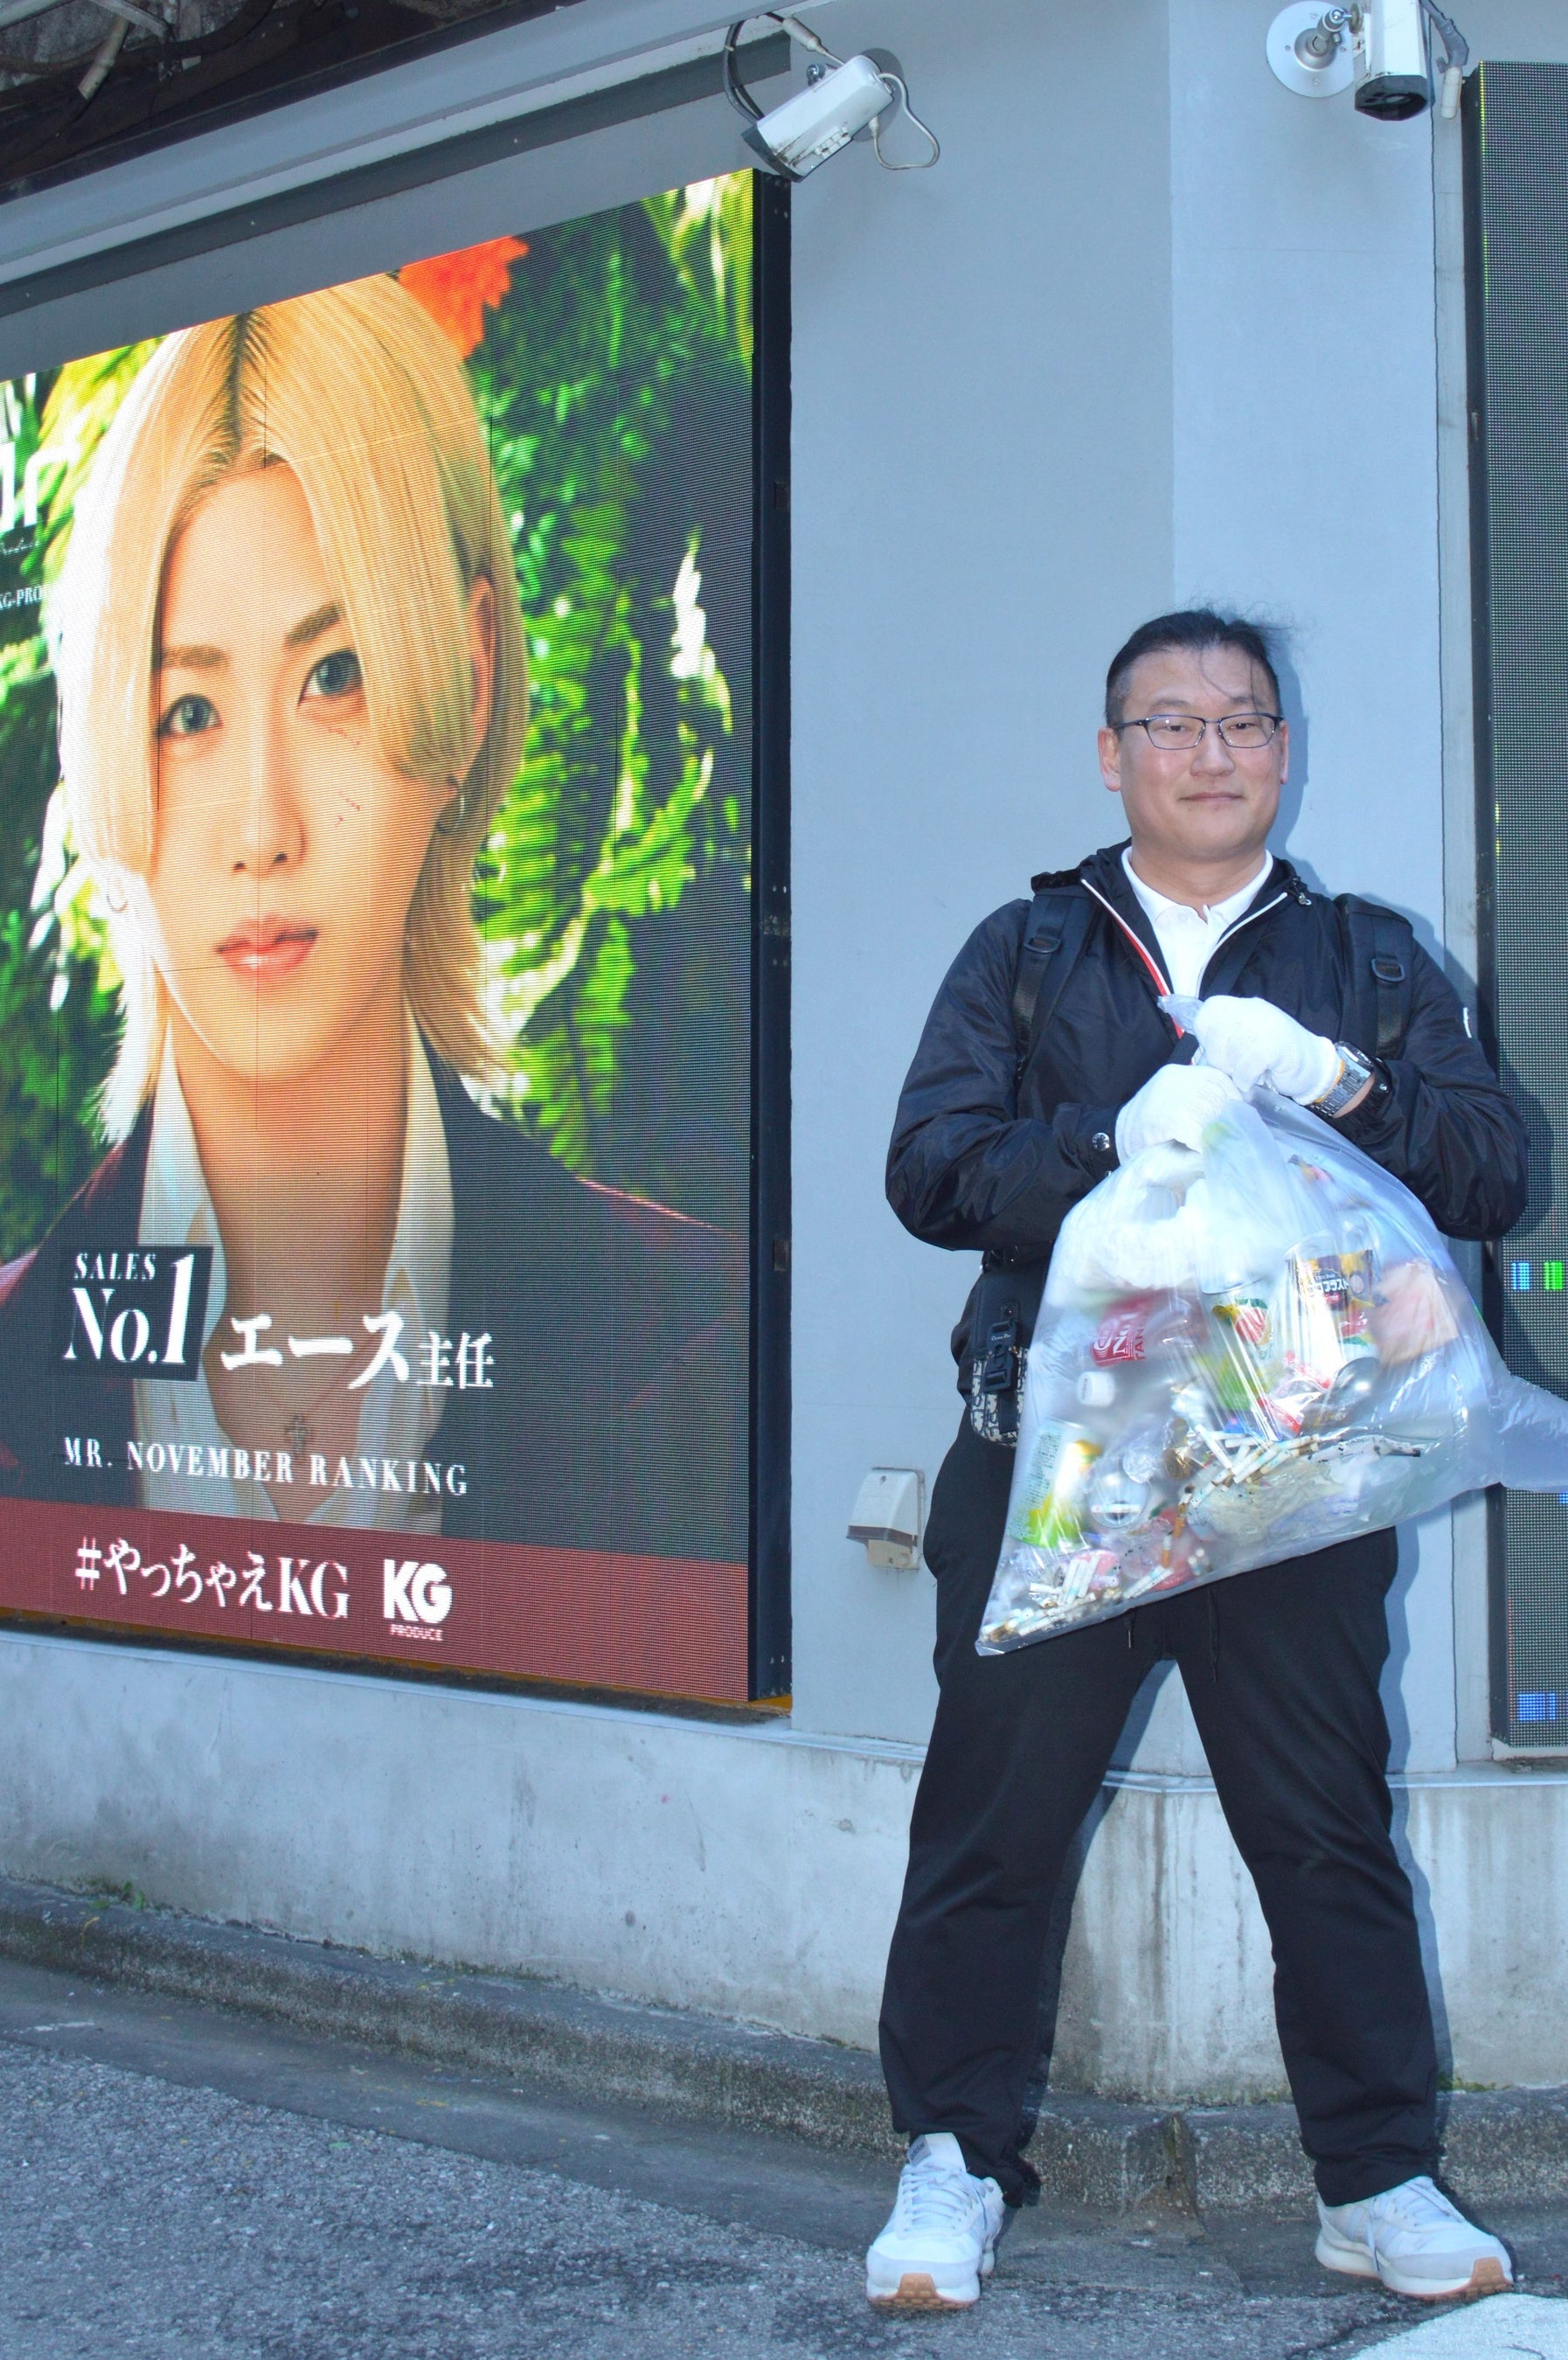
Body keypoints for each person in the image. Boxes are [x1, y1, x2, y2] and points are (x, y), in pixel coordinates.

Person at [865, 610, 1527, 2312]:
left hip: (1288, 1478)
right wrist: (1101, 1139)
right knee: (991, 1831)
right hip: (1054, 1476)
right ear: (1113, 756)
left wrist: (1344, 1085)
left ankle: (1375, 2179)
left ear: (1282, 749)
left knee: (1325, 1833)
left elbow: (1491, 1171)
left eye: (1241, 720)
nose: (1209, 752)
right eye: (1169, 723)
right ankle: (951, 2162)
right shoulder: (1030, 949)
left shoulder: (1367, 960)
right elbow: (930, 1169)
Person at [0, 278, 743, 1563]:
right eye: (187, 714)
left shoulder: (704, 1333)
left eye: (334, 677)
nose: (262, 827)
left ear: (467, 675)